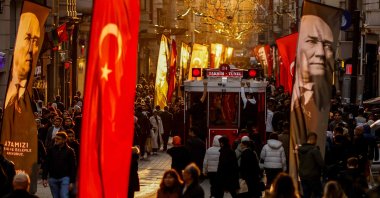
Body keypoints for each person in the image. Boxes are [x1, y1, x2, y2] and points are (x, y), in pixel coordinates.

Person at [290, 14, 337, 162]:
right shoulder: (295, 102)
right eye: (311, 41)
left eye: (328, 45)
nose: (321, 53)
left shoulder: (325, 103)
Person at [42, 132, 76, 198]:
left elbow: (73, 167)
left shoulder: (70, 151)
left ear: (64, 140)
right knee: (55, 196)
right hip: (53, 177)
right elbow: (46, 164)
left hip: (65, 178)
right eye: (55, 138)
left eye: (58, 139)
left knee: (64, 196)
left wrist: (72, 181)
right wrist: (44, 178)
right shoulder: (51, 150)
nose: (56, 140)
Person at [298, 132, 324, 198]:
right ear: (314, 139)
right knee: (318, 194)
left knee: (306, 194)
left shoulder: (300, 149)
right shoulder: (315, 150)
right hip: (313, 176)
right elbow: (321, 163)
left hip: (303, 175)